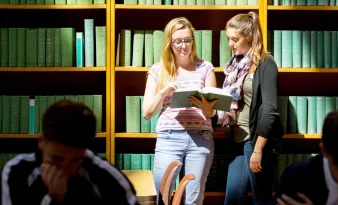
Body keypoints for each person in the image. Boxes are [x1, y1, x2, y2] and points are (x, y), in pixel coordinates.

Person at [1, 100, 138, 205]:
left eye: (75, 160)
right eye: (57, 159)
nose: (65, 170)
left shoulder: (106, 176)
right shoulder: (17, 172)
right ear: (41, 141)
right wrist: (54, 198)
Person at [142, 17, 217, 205]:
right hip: (169, 137)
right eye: (178, 41)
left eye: (188, 40)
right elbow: (147, 113)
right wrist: (163, 92)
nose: (184, 46)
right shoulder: (158, 70)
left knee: (194, 199)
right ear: (169, 43)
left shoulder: (205, 68)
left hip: (200, 138)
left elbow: (213, 112)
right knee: (163, 196)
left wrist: (207, 108)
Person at [220, 11, 284, 205]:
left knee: (261, 200)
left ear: (249, 37)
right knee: (232, 199)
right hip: (238, 139)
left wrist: (258, 150)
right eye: (228, 39)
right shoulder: (234, 66)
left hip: (256, 142)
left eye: (235, 39)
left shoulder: (265, 63)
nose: (231, 44)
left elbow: (270, 108)